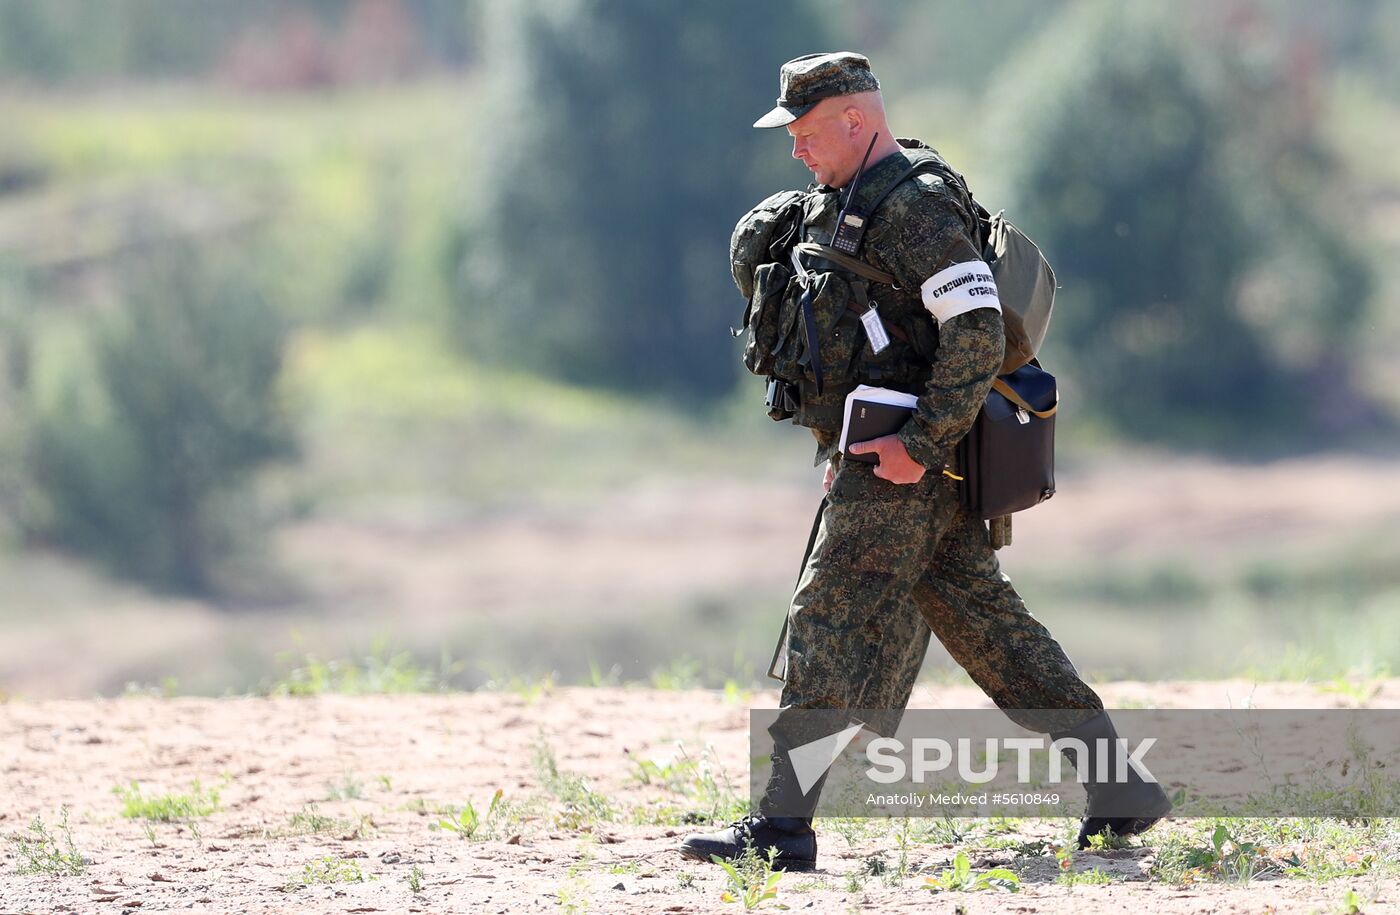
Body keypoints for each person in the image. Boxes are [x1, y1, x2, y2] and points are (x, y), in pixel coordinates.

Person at [678, 52, 1170, 871]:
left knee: (824, 618)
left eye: (805, 132)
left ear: (855, 121)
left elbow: (976, 332)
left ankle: (781, 828)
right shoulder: (850, 201)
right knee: (996, 633)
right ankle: (1119, 788)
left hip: (908, 463)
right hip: (896, 458)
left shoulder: (914, 208)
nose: (796, 150)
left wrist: (913, 448)